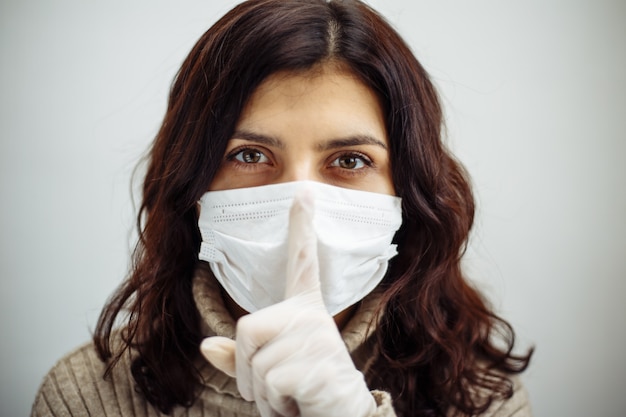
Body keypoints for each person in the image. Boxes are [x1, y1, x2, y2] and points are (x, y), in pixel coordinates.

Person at [31, 0, 533, 416]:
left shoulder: (479, 398)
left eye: (350, 159)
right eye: (250, 155)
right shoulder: (88, 397)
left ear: (410, 189)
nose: (301, 203)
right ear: (192, 182)